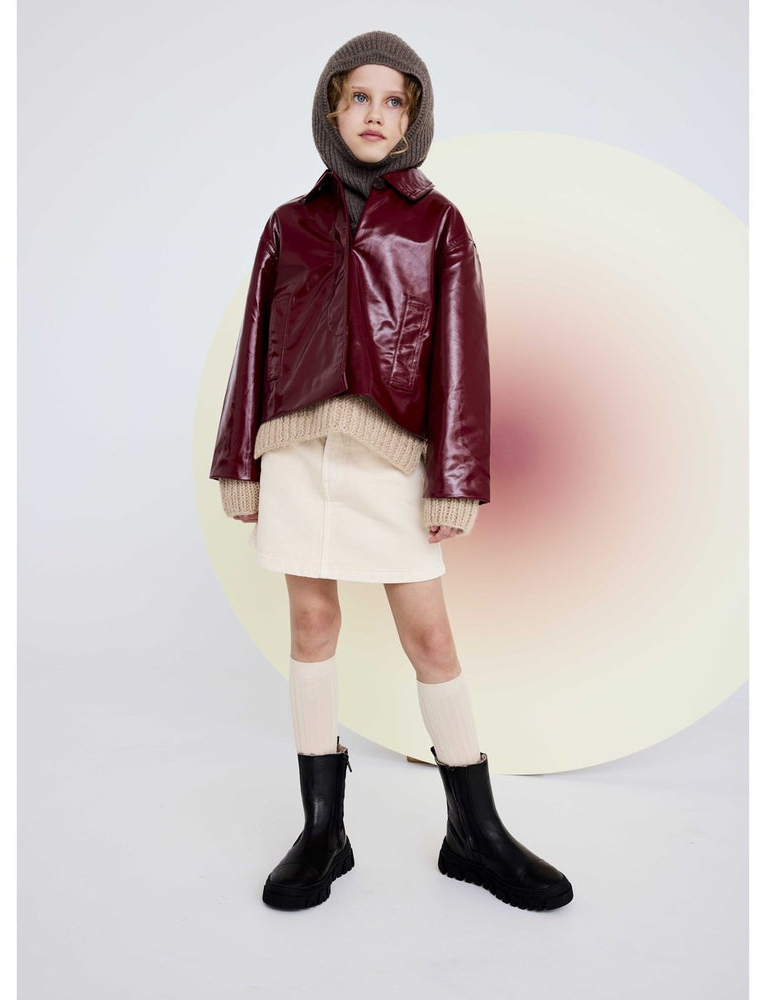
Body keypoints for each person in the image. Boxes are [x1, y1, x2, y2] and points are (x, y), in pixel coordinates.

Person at [210, 30, 573, 913]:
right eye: (359, 98)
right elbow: (256, 342)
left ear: (414, 118)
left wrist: (456, 476)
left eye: (394, 101)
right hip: (297, 451)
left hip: (392, 457)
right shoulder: (288, 225)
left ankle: (474, 833)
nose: (376, 115)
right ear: (332, 111)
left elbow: (461, 353)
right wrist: (238, 460)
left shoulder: (438, 222)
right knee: (310, 623)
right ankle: (322, 831)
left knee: (430, 638)